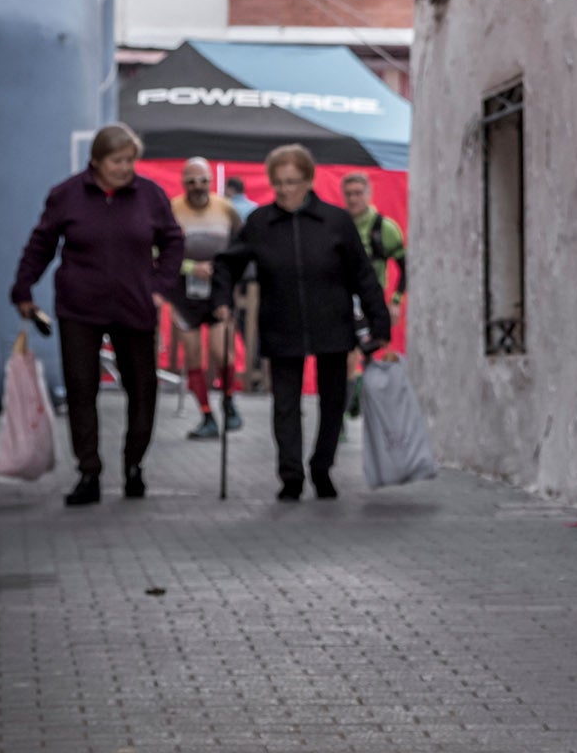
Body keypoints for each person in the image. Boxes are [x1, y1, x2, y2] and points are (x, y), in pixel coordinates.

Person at [11, 123, 185, 506]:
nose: (126, 168)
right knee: (81, 388)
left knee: (142, 388)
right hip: (80, 306)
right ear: (97, 161)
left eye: (130, 161)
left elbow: (173, 240)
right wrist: (23, 288)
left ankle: (134, 465)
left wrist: (159, 287)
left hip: (135, 305)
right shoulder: (67, 195)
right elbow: (42, 243)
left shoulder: (150, 196)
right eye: (117, 161)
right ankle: (88, 471)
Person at [211, 143, 390, 501]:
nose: (284, 190)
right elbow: (227, 263)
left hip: (333, 323)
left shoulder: (335, 221)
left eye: (291, 181)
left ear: (308, 180)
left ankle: (322, 468)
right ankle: (290, 474)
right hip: (281, 323)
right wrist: (221, 300)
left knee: (333, 401)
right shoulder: (260, 222)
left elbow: (363, 275)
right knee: (285, 405)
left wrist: (379, 322)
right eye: (277, 182)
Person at [169, 157, 244, 438]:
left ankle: (229, 404)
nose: (197, 186)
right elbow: (158, 253)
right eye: (191, 181)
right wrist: (190, 267)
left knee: (220, 349)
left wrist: (226, 272)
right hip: (182, 293)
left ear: (212, 182)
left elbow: (241, 247)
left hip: (217, 291)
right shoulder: (172, 209)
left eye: (202, 181)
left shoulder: (226, 209)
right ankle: (206, 415)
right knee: (192, 355)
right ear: (183, 183)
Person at [339, 171, 407, 418]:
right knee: (346, 356)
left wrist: (396, 301)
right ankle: (343, 417)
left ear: (368, 194)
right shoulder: (339, 226)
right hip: (343, 301)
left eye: (358, 193)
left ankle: (359, 399)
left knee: (368, 355)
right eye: (349, 194)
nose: (353, 199)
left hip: (371, 301)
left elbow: (405, 267)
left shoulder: (384, 228)